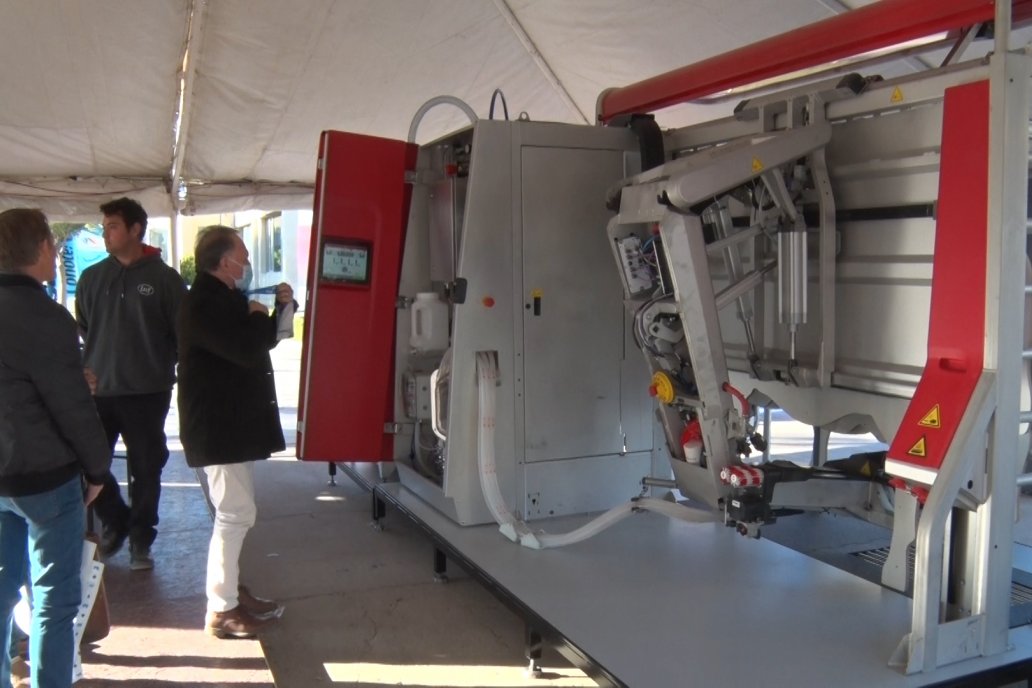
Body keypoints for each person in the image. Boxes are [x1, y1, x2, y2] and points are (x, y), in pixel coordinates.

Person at [0, 208, 111, 687]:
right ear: (43, 249)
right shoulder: (47, 318)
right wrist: (97, 469)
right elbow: (69, 408)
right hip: (45, 478)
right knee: (53, 605)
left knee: (2, 592)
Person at [177, 226, 291, 639]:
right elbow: (245, 348)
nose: (247, 263)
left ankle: (230, 592)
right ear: (225, 262)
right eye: (242, 255)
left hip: (229, 426)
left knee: (237, 512)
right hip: (216, 428)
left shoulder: (222, 297)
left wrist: (279, 311)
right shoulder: (203, 302)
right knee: (234, 514)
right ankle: (221, 608)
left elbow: (256, 343)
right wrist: (261, 317)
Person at [75, 197, 186, 571]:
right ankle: (116, 519)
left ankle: (141, 539)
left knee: (146, 467)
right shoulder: (92, 279)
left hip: (148, 393)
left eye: (113, 226)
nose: (105, 233)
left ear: (136, 229)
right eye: (104, 226)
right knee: (89, 462)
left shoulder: (165, 280)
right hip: (99, 392)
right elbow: (86, 327)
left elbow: (180, 335)